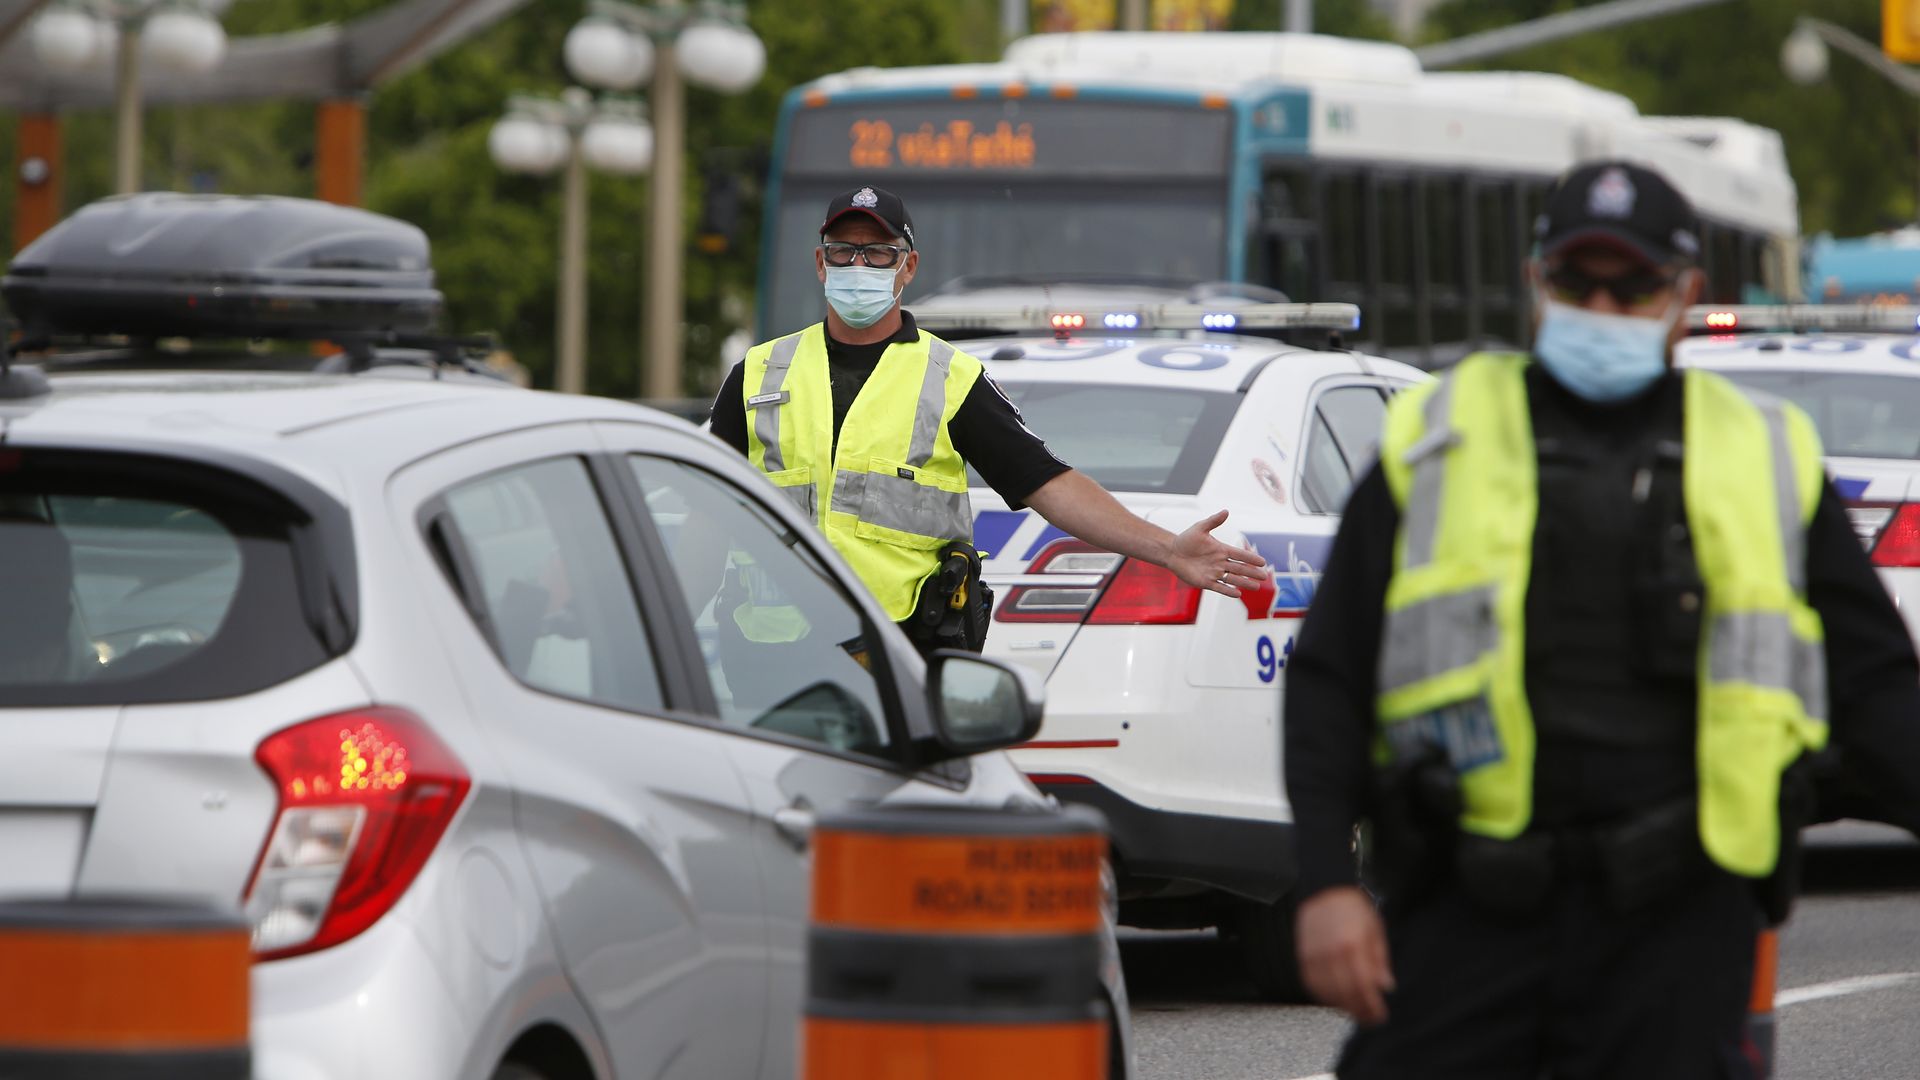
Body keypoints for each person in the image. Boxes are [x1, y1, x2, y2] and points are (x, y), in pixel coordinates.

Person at [1283, 161, 1920, 1079]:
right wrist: (1325, 887)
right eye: (1580, 281)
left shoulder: (1765, 454)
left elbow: (1876, 691)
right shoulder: (1438, 436)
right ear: (1537, 282)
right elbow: (1332, 676)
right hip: (1471, 908)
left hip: (1678, 923)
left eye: (1635, 285)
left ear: (1687, 294)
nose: (1604, 305)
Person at [709, 185, 1268, 655]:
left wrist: (1168, 548)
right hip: (768, 655)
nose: (859, 266)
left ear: (908, 267)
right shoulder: (760, 372)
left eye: (879, 252)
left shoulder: (949, 378)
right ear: (819, 262)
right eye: (843, 251)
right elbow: (699, 506)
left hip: (893, 654)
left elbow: (1050, 483)